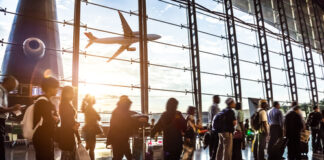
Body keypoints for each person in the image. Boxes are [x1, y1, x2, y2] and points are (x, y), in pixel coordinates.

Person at [107, 95, 143, 160]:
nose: (129, 106)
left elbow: (112, 126)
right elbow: (128, 122)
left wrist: (109, 140)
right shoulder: (123, 112)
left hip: (118, 138)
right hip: (120, 138)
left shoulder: (117, 111)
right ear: (125, 104)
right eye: (128, 104)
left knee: (120, 156)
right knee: (126, 155)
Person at [32, 77, 60, 160]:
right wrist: (54, 118)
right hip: (42, 138)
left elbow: (56, 119)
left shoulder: (48, 102)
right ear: (50, 88)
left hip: (47, 137)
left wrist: (56, 118)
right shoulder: (42, 102)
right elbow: (49, 120)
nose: (57, 90)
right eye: (56, 88)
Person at [0, 76, 22, 160]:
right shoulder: (0, 91)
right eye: (13, 86)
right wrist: (13, 108)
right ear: (8, 82)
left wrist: (12, 109)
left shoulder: (4, 92)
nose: (14, 88)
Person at [59, 86, 81, 160]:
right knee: (68, 156)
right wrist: (78, 137)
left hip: (65, 136)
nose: (73, 95)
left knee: (66, 156)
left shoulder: (64, 104)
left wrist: (75, 123)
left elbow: (69, 121)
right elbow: (69, 123)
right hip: (67, 137)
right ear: (67, 94)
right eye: (72, 93)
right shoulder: (66, 106)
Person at [81, 94, 101, 160]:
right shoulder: (91, 109)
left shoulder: (87, 108)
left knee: (88, 146)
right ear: (92, 100)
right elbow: (99, 118)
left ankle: (82, 157)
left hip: (87, 130)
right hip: (91, 131)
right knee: (92, 149)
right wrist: (97, 114)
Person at [208, 95, 220, 160]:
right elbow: (215, 118)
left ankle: (212, 157)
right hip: (215, 128)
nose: (219, 99)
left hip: (212, 128)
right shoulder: (215, 107)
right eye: (218, 98)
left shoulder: (211, 107)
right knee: (216, 145)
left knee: (212, 144)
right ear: (215, 99)